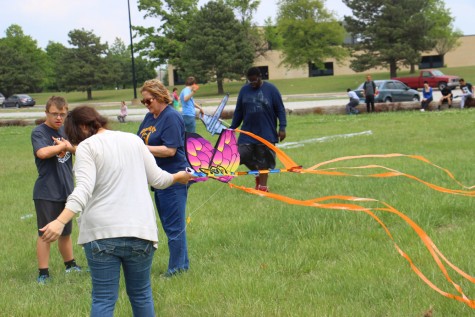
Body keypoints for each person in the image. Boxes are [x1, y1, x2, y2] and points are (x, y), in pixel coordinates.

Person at [39, 105, 193, 316]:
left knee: (103, 298)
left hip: (101, 235)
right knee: (141, 295)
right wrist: (178, 176)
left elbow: (82, 190)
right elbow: (159, 179)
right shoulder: (134, 140)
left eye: (73, 133)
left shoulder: (87, 147)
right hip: (140, 232)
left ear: (83, 127)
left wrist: (59, 221)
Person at [138, 79, 192, 277]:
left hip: (174, 177)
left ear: (160, 96)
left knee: (174, 226)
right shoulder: (150, 117)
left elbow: (169, 150)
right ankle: (182, 265)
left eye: (149, 100)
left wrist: (142, 148)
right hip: (158, 178)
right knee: (169, 224)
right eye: (144, 102)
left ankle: (177, 268)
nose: (146, 105)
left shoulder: (171, 117)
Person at [31, 96, 82, 285]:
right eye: (54, 114)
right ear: (46, 113)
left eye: (62, 114)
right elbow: (42, 153)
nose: (59, 118)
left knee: (65, 232)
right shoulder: (39, 132)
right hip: (46, 192)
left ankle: (70, 265)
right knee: (45, 233)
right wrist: (63, 146)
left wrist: (69, 146)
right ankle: (43, 273)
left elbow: (80, 149)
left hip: (67, 189)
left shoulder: (66, 130)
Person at [229, 67, 287, 192]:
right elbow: (239, 111)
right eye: (250, 81)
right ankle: (256, 172)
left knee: (263, 160)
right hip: (248, 132)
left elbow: (280, 109)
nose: (253, 83)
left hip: (266, 132)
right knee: (240, 155)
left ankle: (263, 187)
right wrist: (232, 128)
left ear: (260, 77)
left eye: (254, 80)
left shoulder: (271, 90)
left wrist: (282, 127)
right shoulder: (244, 90)